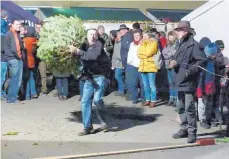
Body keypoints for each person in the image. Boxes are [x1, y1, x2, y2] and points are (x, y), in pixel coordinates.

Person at [169, 20, 207, 143]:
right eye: (177, 30)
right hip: (179, 79)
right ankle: (184, 129)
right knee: (180, 107)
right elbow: (176, 57)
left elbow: (202, 61)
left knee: (189, 108)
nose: (177, 32)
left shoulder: (194, 45)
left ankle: (192, 132)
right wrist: (172, 61)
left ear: (186, 31)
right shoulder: (180, 43)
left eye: (179, 30)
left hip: (189, 81)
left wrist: (189, 71)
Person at [69, 29, 109, 136]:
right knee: (85, 102)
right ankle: (87, 127)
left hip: (100, 77)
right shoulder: (84, 45)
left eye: (94, 34)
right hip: (89, 78)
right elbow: (79, 56)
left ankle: (104, 121)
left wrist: (77, 51)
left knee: (97, 100)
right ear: (86, 36)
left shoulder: (98, 45)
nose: (92, 36)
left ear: (97, 36)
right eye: (90, 34)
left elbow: (91, 56)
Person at [196, 43, 218, 129]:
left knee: (209, 103)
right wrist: (201, 88)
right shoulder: (203, 61)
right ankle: (202, 120)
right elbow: (201, 76)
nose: (214, 56)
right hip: (202, 85)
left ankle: (208, 119)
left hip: (210, 85)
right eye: (213, 54)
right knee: (202, 103)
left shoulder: (213, 62)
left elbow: (214, 74)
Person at [4, 19, 24, 104]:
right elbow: (14, 48)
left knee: (16, 79)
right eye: (16, 24)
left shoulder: (16, 34)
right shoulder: (11, 34)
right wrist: (18, 56)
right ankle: (12, 98)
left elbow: (21, 46)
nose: (18, 26)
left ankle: (12, 97)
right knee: (15, 79)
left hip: (15, 58)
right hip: (14, 59)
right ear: (12, 25)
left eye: (19, 24)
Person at [138, 31, 158, 107]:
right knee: (145, 85)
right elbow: (138, 53)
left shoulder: (154, 43)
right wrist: (144, 55)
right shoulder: (142, 44)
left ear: (150, 36)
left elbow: (149, 52)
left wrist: (143, 54)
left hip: (151, 66)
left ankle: (153, 100)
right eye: (143, 36)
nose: (144, 37)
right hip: (143, 66)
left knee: (152, 85)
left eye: (146, 36)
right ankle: (147, 99)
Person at [126, 29, 144, 104]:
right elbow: (130, 54)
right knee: (133, 83)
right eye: (135, 36)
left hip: (142, 65)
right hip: (133, 65)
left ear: (141, 36)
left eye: (137, 35)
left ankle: (143, 99)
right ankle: (135, 97)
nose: (136, 37)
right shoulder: (131, 44)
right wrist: (129, 61)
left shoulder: (144, 43)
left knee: (143, 84)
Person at [162, 31, 178, 106]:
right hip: (167, 65)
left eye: (172, 36)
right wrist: (168, 54)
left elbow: (174, 53)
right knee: (170, 83)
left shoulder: (177, 44)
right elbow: (163, 52)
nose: (170, 37)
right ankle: (171, 98)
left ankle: (176, 98)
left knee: (175, 82)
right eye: (169, 36)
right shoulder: (167, 44)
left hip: (174, 65)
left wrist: (168, 54)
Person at [23, 26, 38, 100]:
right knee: (32, 77)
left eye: (25, 30)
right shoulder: (35, 40)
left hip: (26, 61)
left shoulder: (25, 40)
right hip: (32, 60)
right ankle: (33, 92)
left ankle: (27, 95)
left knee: (27, 78)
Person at [119, 24, 133, 100]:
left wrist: (126, 59)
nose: (120, 31)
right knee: (127, 78)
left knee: (129, 79)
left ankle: (130, 94)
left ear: (126, 30)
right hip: (126, 61)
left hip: (128, 62)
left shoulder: (128, 36)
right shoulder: (124, 37)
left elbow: (129, 49)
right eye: (120, 30)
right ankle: (129, 93)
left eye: (122, 30)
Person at [36, 22, 48, 95]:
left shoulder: (44, 37)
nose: (38, 29)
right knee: (35, 75)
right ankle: (36, 88)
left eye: (39, 27)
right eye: (37, 27)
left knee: (43, 75)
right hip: (34, 58)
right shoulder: (33, 35)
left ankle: (44, 90)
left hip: (41, 58)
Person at [112, 31, 125, 96]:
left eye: (119, 34)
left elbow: (122, 53)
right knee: (118, 76)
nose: (118, 35)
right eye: (117, 34)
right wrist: (113, 63)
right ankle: (121, 89)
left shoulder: (122, 42)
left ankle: (121, 90)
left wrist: (120, 58)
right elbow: (114, 52)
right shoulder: (116, 42)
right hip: (115, 63)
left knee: (118, 76)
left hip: (120, 63)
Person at [1, 18, 8, 100]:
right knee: (2, 78)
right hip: (2, 59)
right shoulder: (2, 36)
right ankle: (1, 94)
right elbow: (3, 49)